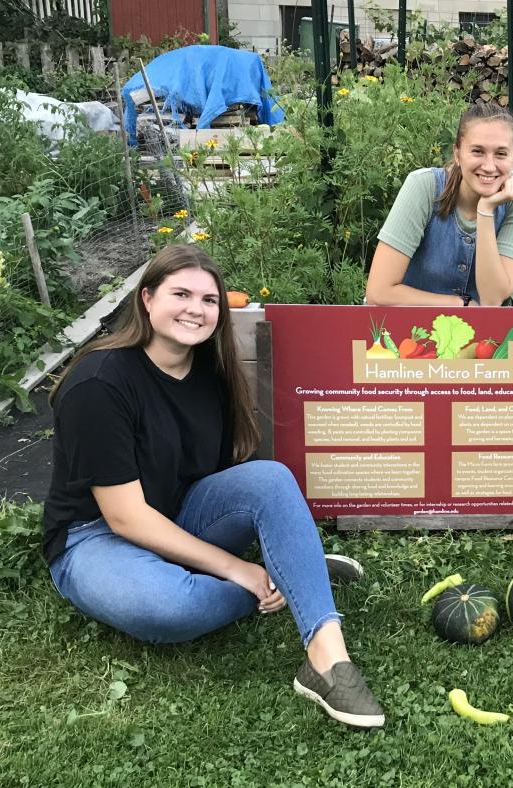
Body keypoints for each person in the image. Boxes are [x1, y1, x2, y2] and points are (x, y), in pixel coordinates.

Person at [42, 244, 384, 729]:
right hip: (95, 537)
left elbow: (216, 477)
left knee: (271, 479)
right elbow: (125, 517)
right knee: (171, 608)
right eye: (181, 294)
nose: (196, 310)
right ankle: (293, 573)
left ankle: (327, 659)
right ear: (147, 299)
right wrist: (239, 569)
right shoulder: (98, 384)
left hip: (179, 512)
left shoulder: (211, 372)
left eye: (209, 300)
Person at [365, 103, 513, 307]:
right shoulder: (424, 186)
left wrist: (485, 211)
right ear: (457, 153)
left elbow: (492, 301)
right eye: (477, 151)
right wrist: (460, 304)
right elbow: (379, 292)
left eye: (501, 153)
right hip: (408, 323)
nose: (489, 166)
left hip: (480, 326)